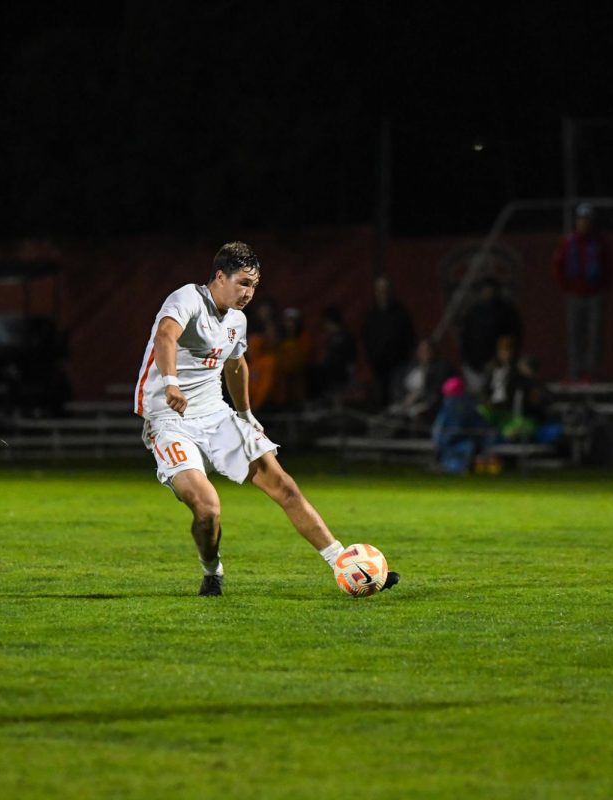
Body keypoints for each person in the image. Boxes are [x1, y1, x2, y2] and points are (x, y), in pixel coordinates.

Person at [133, 241, 399, 596]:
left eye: (254, 286)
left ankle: (344, 564)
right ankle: (212, 570)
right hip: (169, 419)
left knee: (284, 485)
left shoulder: (237, 322)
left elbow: (237, 365)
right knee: (208, 509)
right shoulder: (186, 299)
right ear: (219, 276)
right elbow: (166, 337)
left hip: (216, 415)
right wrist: (170, 383)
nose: (249, 293)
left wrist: (245, 414)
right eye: (243, 283)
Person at [552, 203, 613, 382]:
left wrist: (603, 289)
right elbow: (557, 266)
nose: (583, 223)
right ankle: (574, 372)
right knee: (574, 334)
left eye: (587, 220)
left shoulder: (600, 243)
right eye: (581, 219)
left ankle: (591, 373)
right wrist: (566, 288)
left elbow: (609, 268)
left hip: (595, 294)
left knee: (595, 335)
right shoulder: (568, 242)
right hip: (574, 295)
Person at [458, 277, 523, 395]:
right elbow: (465, 338)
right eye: (485, 290)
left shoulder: (507, 311)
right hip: (474, 365)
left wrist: (502, 357)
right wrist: (467, 360)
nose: (488, 293)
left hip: (499, 364)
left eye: (491, 290)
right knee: (478, 397)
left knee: (499, 395)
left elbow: (514, 336)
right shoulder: (473, 312)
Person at [361, 276, 415, 409]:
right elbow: (367, 339)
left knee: (399, 394)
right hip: (380, 365)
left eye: (385, 290)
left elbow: (409, 336)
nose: (382, 294)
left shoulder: (400, 312)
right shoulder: (371, 315)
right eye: (379, 290)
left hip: (399, 363)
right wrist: (373, 358)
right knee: (383, 396)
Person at [432, 376, 491, 475]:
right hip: (465, 442)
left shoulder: (453, 405)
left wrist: (441, 440)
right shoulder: (468, 405)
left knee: (461, 451)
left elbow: (441, 429)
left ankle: (453, 467)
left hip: (457, 442)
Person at [387, 337, 452, 427]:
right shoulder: (408, 367)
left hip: (427, 402)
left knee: (417, 412)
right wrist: (404, 399)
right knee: (393, 411)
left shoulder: (441, 368)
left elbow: (436, 391)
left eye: (427, 350)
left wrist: (418, 400)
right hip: (406, 400)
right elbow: (397, 386)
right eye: (421, 350)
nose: (425, 353)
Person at [309, 305, 357, 401]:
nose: (324, 326)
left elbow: (349, 362)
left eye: (325, 323)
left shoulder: (344, 338)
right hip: (332, 376)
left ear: (329, 321)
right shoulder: (333, 338)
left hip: (339, 377)